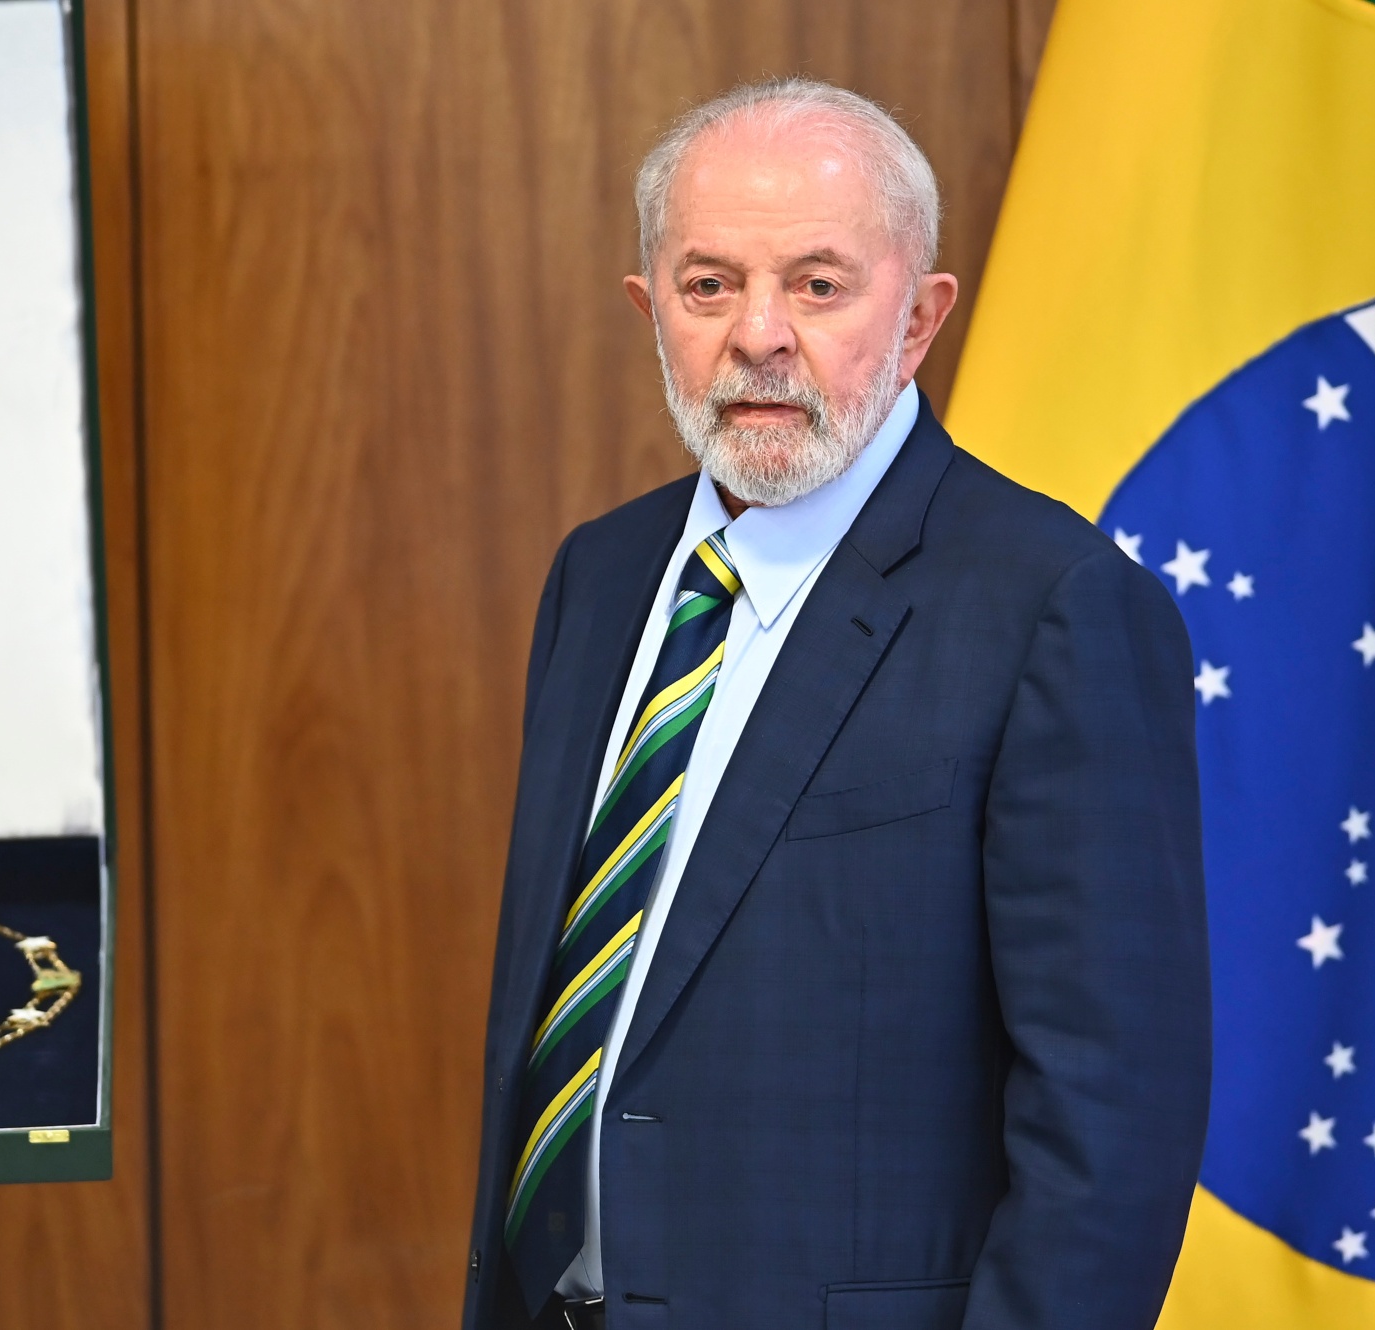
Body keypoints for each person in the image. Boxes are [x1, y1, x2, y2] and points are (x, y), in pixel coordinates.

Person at [463, 78, 1210, 1330]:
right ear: (650, 311)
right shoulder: (599, 576)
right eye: (709, 285)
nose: (757, 335)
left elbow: (1111, 1121)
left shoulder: (1055, 605)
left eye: (817, 285)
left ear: (918, 318)